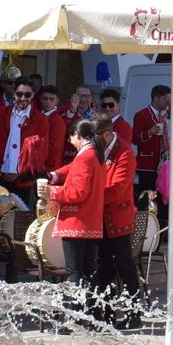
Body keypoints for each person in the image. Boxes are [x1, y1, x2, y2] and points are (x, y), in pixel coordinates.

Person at [94, 115, 143, 327]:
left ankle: (134, 314)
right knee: (103, 266)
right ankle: (107, 312)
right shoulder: (97, 148)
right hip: (99, 217)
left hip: (118, 217)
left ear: (106, 135)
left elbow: (117, 189)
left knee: (125, 266)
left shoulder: (125, 153)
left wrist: (88, 196)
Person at [46, 120, 104, 293]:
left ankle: (75, 314)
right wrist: (54, 176)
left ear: (78, 135)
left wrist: (52, 192)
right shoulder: (96, 154)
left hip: (77, 222)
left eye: (71, 138)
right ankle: (93, 314)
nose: (71, 143)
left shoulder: (86, 156)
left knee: (74, 272)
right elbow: (72, 168)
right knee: (90, 271)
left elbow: (78, 192)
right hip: (91, 221)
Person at [0, 78, 49, 210]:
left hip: (22, 179)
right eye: (19, 94)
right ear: (14, 93)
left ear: (33, 95)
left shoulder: (40, 119)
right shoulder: (1, 112)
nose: (23, 98)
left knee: (18, 217)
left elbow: (40, 153)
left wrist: (19, 171)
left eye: (27, 95)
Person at [130, 84, 171, 204]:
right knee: (147, 198)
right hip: (147, 165)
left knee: (160, 197)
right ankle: (145, 221)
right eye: (165, 99)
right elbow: (135, 139)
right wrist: (149, 132)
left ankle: (159, 221)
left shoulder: (165, 115)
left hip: (163, 163)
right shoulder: (142, 115)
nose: (167, 103)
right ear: (156, 98)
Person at [36, 85, 67, 174]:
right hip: (38, 165)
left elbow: (54, 149)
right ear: (40, 99)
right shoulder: (37, 116)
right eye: (45, 99)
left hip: (49, 167)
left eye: (51, 99)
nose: (48, 102)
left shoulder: (58, 121)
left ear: (57, 101)